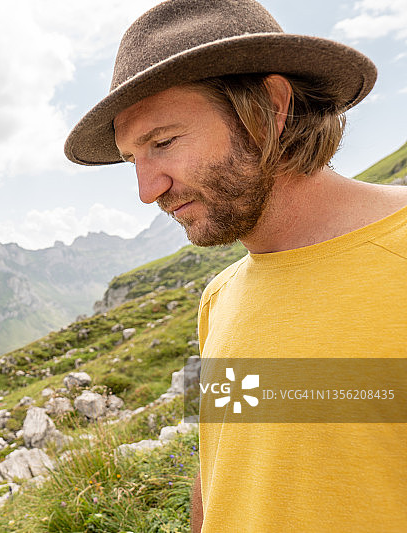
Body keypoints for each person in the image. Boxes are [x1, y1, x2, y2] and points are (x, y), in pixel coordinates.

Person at [64, 0, 407, 531]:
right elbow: (219, 467)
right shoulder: (217, 298)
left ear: (271, 106)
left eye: (164, 142)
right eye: (135, 159)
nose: (146, 189)